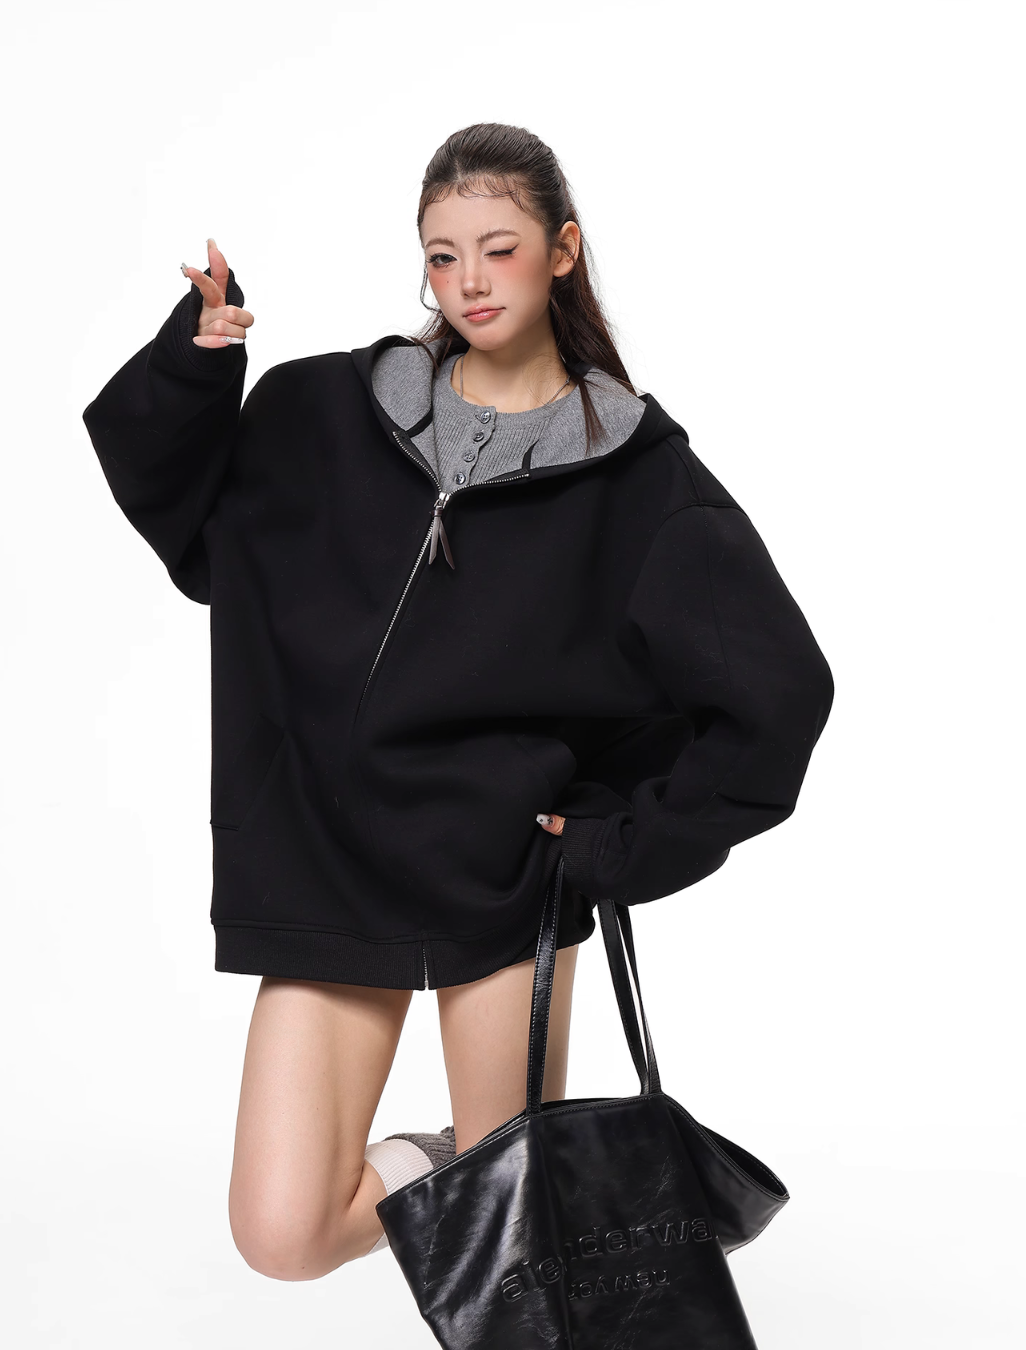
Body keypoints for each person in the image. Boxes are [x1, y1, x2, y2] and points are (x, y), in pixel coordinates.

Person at [82, 122, 833, 1283]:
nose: (470, 281)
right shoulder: (323, 409)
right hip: (329, 869)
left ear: (562, 250)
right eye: (442, 255)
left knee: (513, 1252)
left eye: (499, 248)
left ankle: (507, 1184)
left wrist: (621, 845)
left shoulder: (639, 478)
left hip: (502, 879)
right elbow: (198, 528)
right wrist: (194, 363)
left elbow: (778, 692)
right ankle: (460, 1169)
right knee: (283, 1232)